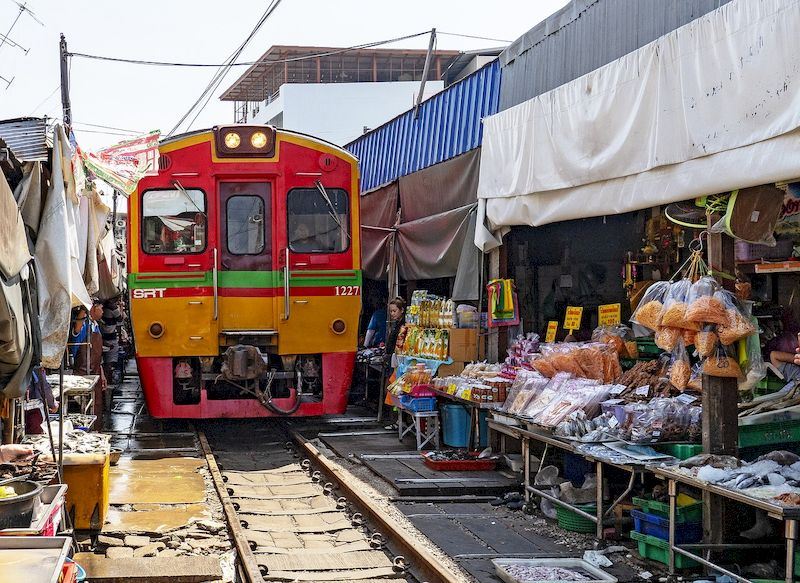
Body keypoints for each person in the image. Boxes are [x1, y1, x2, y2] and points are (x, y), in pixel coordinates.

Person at [24, 365, 57, 435]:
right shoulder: (36, 366)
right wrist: (52, 405)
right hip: (33, 410)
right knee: (34, 438)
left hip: (14, 409)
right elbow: (44, 388)